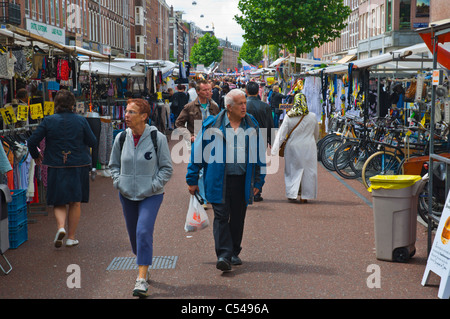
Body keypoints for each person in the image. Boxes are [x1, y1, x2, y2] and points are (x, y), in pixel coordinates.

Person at [186, 89, 266, 272]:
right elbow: (197, 154)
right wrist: (192, 179)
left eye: (245, 102)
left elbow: (260, 155)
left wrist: (259, 181)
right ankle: (223, 255)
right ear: (229, 107)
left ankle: (234, 251)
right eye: (240, 103)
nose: (245, 106)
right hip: (218, 180)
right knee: (221, 216)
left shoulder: (252, 125)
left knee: (238, 217)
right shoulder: (212, 125)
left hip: (243, 180)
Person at [109, 98, 173, 298]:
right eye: (126, 111)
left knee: (143, 231)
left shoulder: (158, 138)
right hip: (127, 194)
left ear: (144, 116)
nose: (126, 115)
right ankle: (143, 262)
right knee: (134, 237)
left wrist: (153, 185)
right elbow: (113, 165)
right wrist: (119, 182)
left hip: (151, 195)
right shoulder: (120, 138)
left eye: (131, 112)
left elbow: (166, 168)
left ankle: (141, 279)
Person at [27, 89, 97, 248]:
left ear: (56, 104)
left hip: (55, 164)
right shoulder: (81, 121)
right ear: (72, 104)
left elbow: (32, 141)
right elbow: (93, 141)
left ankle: (60, 228)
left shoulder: (48, 121)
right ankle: (71, 237)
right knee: (75, 202)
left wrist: (36, 156)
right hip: (78, 164)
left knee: (59, 200)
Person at [175, 80, 220, 204]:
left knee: (210, 169)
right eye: (205, 90)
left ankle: (208, 193)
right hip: (197, 142)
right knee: (199, 170)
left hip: (212, 142)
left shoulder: (214, 106)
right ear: (198, 91)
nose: (208, 92)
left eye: (209, 90)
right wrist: (189, 136)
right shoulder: (189, 107)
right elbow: (179, 123)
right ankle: (203, 199)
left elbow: (219, 123)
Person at [271, 92, 319, 203]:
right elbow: (316, 134)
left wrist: (274, 149)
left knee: (292, 171)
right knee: (308, 172)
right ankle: (305, 195)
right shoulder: (312, 116)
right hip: (309, 147)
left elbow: (282, 134)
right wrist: (314, 143)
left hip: (293, 147)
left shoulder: (289, 116)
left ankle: (292, 193)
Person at [245, 81, 274, 202]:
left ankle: (247, 189)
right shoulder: (265, 106)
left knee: (246, 163)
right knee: (260, 164)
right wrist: (271, 140)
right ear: (258, 91)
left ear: (246, 91)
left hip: (245, 137)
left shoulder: (243, 105)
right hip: (261, 136)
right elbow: (271, 124)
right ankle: (257, 190)